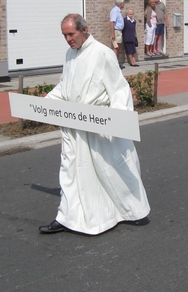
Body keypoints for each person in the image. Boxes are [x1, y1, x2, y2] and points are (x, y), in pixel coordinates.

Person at [39, 14, 150, 235]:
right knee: (72, 172)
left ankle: (132, 210)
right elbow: (64, 86)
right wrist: (44, 105)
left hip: (99, 126)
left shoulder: (103, 54)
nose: (68, 39)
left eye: (71, 34)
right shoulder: (70, 54)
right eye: (65, 35)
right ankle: (67, 217)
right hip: (74, 127)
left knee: (111, 171)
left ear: (84, 30)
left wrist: (117, 121)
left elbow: (119, 89)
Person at [109, 0, 125, 67]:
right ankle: (113, 64)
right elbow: (112, 22)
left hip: (119, 32)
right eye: (123, 3)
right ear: (121, 4)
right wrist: (113, 34)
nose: (124, 4)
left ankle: (116, 63)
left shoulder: (118, 11)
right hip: (116, 32)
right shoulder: (115, 11)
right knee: (116, 48)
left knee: (118, 48)